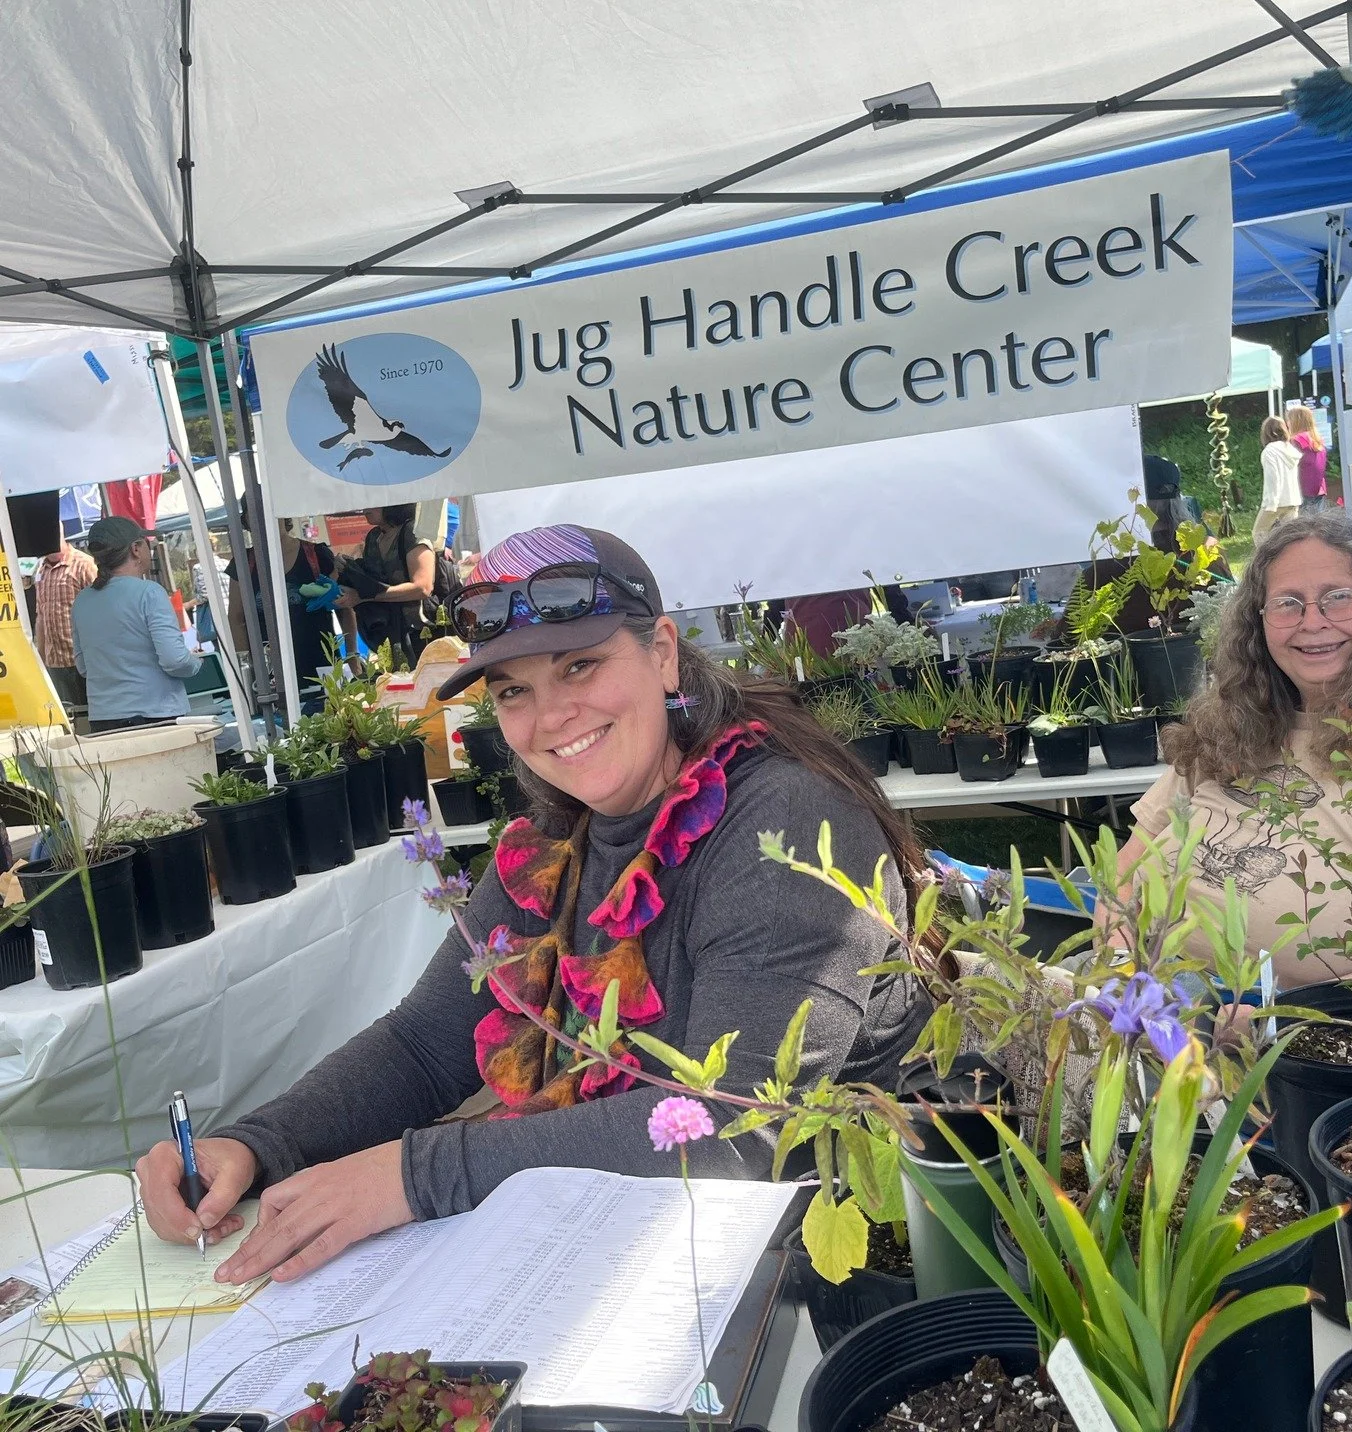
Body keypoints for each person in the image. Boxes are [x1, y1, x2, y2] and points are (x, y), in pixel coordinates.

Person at [137, 524, 928, 1282]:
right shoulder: (552, 839)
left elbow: (737, 1126)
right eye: (515, 689)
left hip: (861, 1248)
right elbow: (425, 1044)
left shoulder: (786, 820)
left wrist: (413, 1175)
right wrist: (261, 1143)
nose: (550, 718)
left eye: (580, 666)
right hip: (654, 1238)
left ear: (661, 655)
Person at [1118, 515, 1352, 988]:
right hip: (1147, 997)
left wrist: (1260, 1023)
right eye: (1288, 604)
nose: (1313, 622)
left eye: (1339, 597)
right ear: (1259, 623)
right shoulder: (1232, 725)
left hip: (1294, 1040)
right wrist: (1119, 978)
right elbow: (1121, 873)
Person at [70, 517, 203, 731]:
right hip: (156, 714)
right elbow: (175, 660)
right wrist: (196, 664)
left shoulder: (82, 601)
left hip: (104, 719)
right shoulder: (149, 593)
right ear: (135, 548)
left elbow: (84, 667)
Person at [226, 503, 357, 708]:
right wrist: (248, 671)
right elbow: (236, 619)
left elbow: (345, 608)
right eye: (255, 514)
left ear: (282, 514)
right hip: (271, 673)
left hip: (322, 664)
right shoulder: (242, 564)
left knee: (336, 727)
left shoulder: (316, 554)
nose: (264, 518)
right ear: (247, 520)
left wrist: (352, 657)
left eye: (269, 510)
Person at [335, 504, 437, 668]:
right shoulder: (374, 536)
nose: (365, 507)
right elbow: (375, 580)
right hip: (389, 636)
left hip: (420, 634)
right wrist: (351, 569)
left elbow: (423, 587)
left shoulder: (413, 532)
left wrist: (362, 596)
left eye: (374, 501)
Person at [34, 524, 96, 710]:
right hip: (55, 664)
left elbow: (101, 608)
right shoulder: (40, 570)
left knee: (89, 714)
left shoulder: (84, 565)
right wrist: (42, 659)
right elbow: (41, 617)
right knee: (68, 718)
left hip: (83, 662)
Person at [1253, 416, 1302, 542]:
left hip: (1277, 501)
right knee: (1290, 537)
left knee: (1259, 533)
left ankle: (1267, 559)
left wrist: (1271, 503)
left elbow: (1273, 478)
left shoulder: (1269, 451)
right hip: (1292, 499)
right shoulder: (1290, 449)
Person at [1286, 405, 1330, 512]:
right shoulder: (1317, 440)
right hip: (1319, 489)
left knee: (1304, 525)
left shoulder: (1296, 440)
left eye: (1288, 419)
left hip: (1302, 489)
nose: (1287, 423)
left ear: (1295, 421)